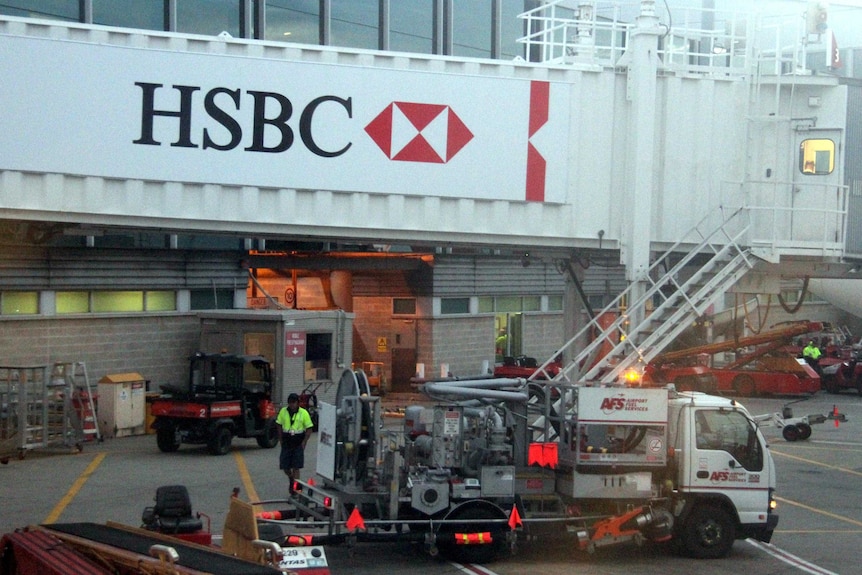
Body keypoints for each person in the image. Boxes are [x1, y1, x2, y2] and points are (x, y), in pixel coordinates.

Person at [276, 393, 314, 494]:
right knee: (285, 467)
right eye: (290, 403)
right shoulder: (283, 411)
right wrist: (280, 439)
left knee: (296, 467)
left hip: (298, 442)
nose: (292, 405)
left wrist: (304, 442)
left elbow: (309, 428)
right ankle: (292, 478)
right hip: (287, 442)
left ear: (297, 403)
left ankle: (295, 488)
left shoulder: (303, 413)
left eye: (294, 403)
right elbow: (279, 425)